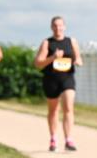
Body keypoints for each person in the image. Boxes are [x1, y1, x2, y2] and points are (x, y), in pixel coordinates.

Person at [34, 16, 83, 151]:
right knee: (53, 110)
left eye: (60, 25)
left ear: (64, 27)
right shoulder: (47, 43)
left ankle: (69, 140)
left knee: (68, 107)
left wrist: (78, 61)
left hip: (67, 78)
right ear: (51, 27)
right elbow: (38, 64)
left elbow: (79, 58)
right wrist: (53, 57)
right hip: (51, 79)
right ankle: (53, 139)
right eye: (55, 25)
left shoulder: (71, 41)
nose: (58, 28)